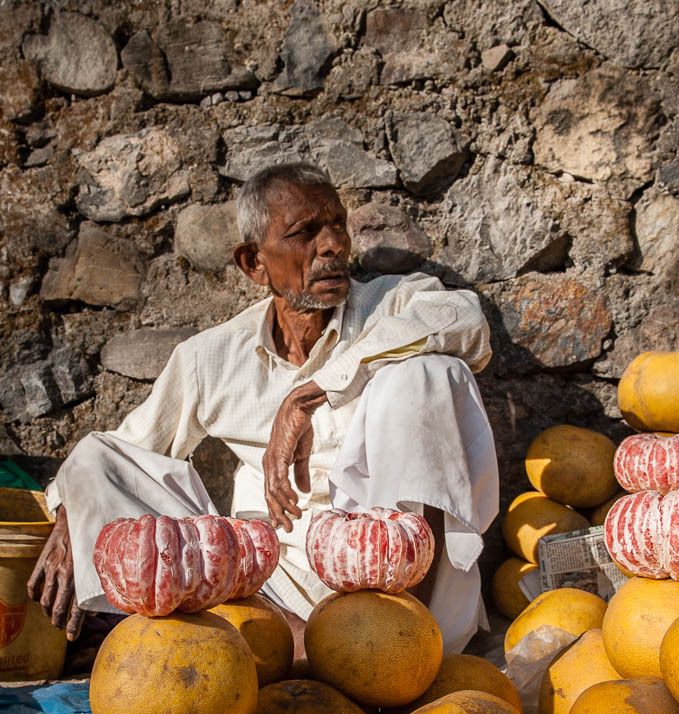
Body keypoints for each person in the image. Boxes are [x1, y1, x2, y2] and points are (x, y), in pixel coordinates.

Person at [27, 162, 499, 655]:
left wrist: (312, 392)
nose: (332, 245)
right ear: (254, 263)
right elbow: (121, 451)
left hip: (405, 593)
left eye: (337, 225)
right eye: (305, 232)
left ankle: (398, 646)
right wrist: (70, 511)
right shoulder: (212, 357)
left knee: (427, 372)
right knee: (93, 457)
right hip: (276, 594)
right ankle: (293, 648)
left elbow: (466, 321)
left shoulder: (393, 304)